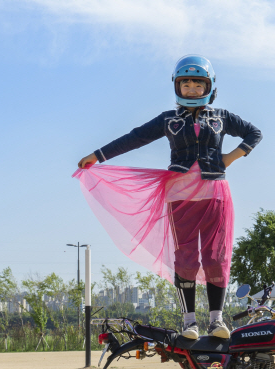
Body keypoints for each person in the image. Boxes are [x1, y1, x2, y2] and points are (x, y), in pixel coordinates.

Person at [74, 55, 262, 340]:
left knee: (215, 256)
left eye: (197, 83)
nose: (191, 88)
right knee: (185, 257)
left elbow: (254, 132)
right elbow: (134, 137)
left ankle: (216, 320)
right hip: (180, 195)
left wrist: (230, 158)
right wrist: (97, 156)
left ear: (209, 86)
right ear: (176, 86)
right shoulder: (168, 120)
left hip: (215, 194)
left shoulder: (222, 117)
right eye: (185, 83)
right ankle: (189, 322)